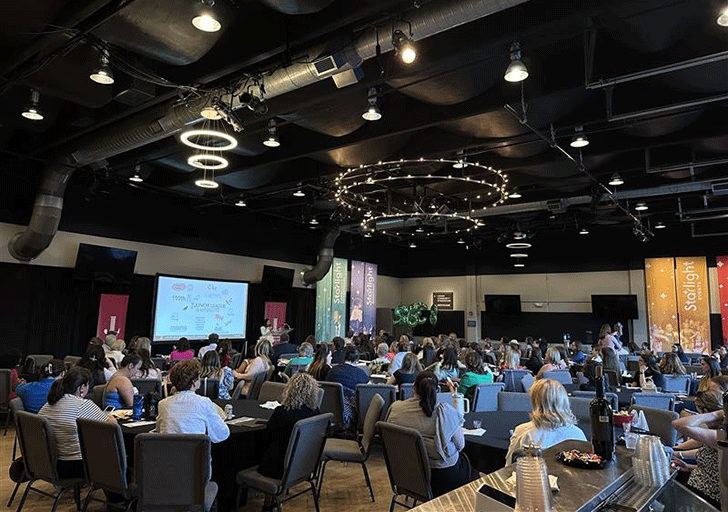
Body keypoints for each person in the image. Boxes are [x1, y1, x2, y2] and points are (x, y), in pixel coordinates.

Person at [386, 371, 473, 497]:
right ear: (436, 390)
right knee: (471, 467)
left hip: (406, 475)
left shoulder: (395, 408)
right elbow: (460, 445)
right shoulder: (444, 412)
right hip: (441, 478)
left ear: (414, 387)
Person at [38, 367, 116, 478]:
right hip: (76, 466)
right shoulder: (83, 405)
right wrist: (110, 416)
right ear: (81, 388)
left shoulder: (48, 404)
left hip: (49, 464)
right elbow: (112, 426)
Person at [506, 379, 586, 463]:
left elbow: (508, 466)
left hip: (533, 475)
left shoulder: (523, 432)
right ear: (564, 401)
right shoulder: (578, 434)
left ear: (535, 402)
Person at [257, 373, 320, 480]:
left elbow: (267, 437)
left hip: (277, 467)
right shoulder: (316, 414)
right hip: (303, 465)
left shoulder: (282, 412)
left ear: (289, 390)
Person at [672, 390, 724, 508]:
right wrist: (687, 466)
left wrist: (716, 414)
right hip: (699, 487)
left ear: (704, 411)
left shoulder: (721, 436)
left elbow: (678, 424)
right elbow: (712, 465)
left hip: (704, 497)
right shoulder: (718, 433)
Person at [156, 359, 230, 443]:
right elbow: (222, 434)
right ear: (194, 382)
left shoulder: (163, 404)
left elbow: (159, 432)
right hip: (196, 455)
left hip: (168, 454)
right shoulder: (204, 403)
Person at [327, 346, 369, 426]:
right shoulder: (360, 374)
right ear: (357, 360)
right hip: (352, 414)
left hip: (331, 413)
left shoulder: (331, 371)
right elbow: (368, 392)